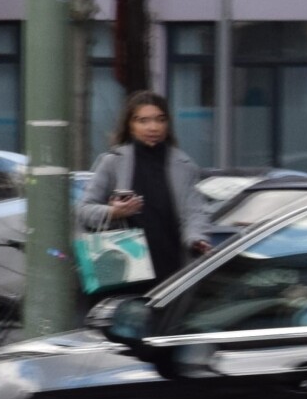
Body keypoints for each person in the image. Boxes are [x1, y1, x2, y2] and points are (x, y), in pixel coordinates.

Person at [80, 90, 210, 282]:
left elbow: (194, 214)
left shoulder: (184, 166)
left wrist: (197, 239)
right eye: (143, 121)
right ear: (130, 126)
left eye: (160, 120)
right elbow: (84, 210)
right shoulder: (113, 163)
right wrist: (113, 213)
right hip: (123, 271)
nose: (153, 127)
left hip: (171, 271)